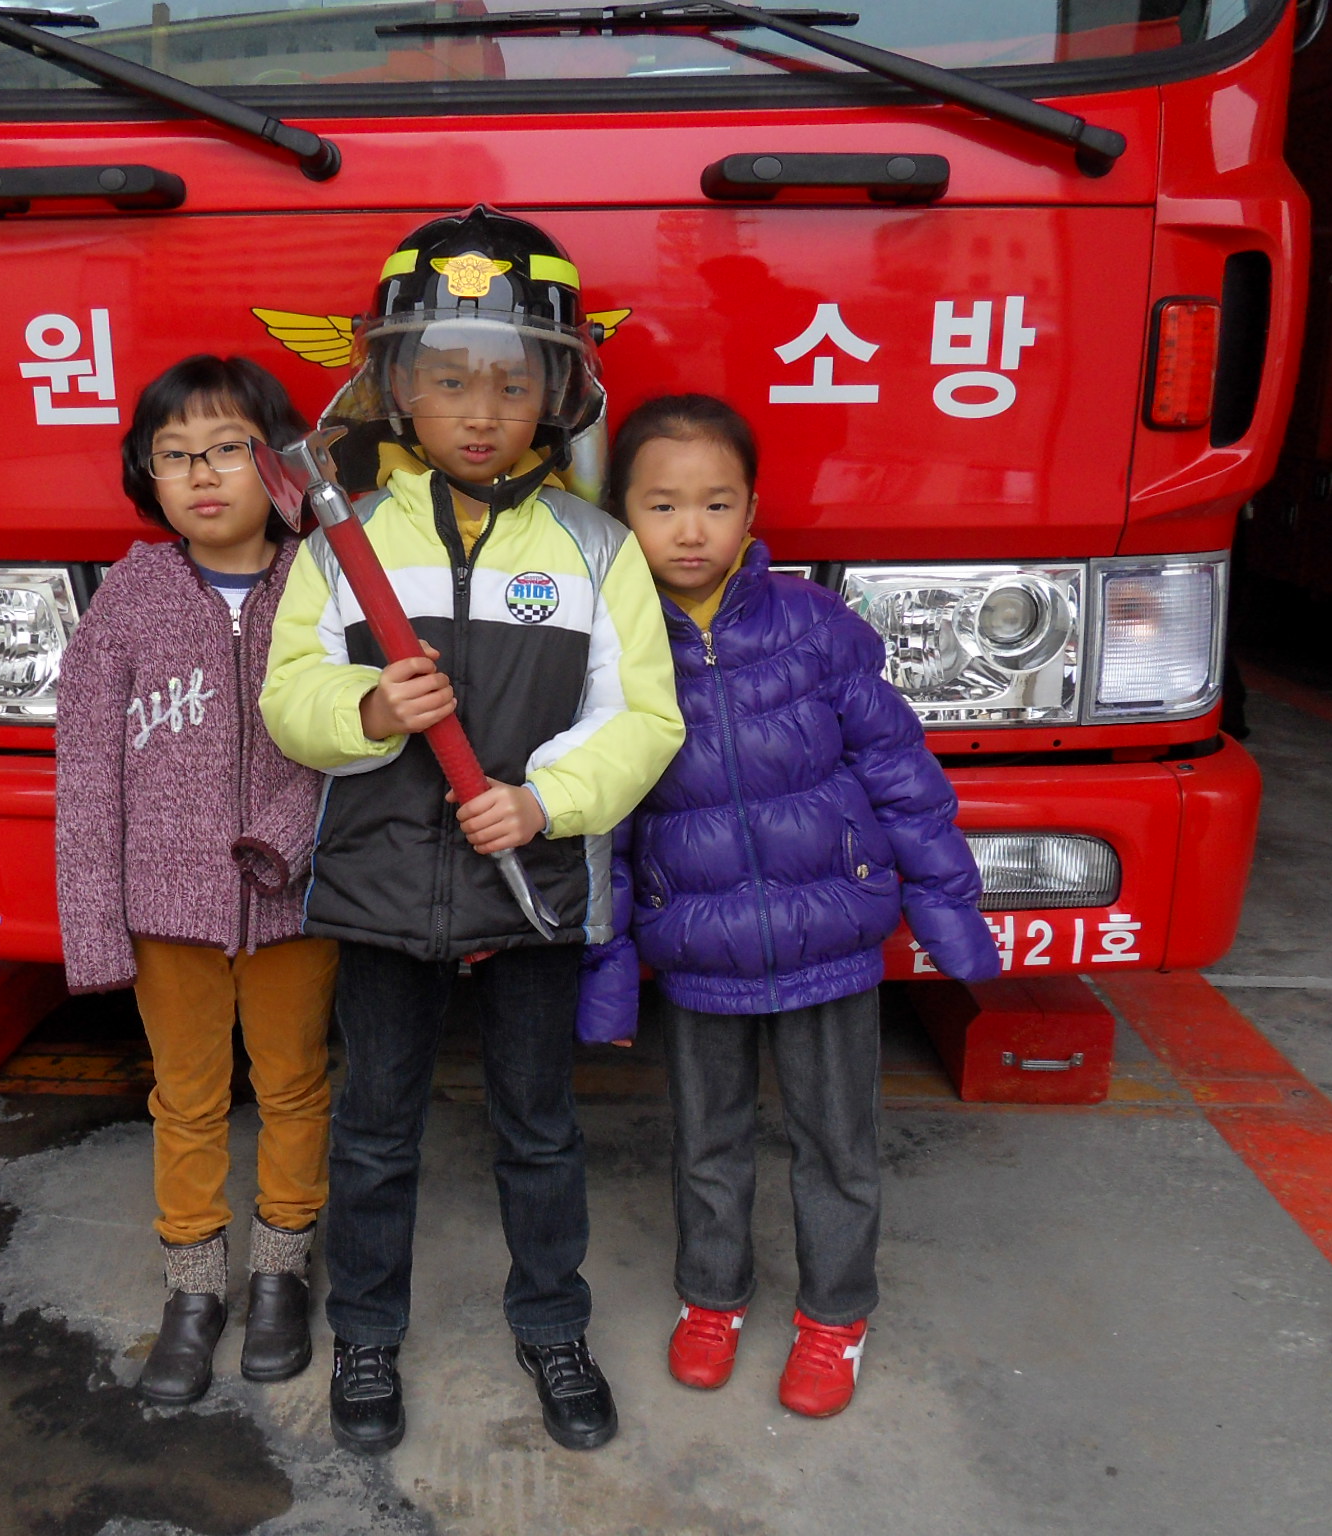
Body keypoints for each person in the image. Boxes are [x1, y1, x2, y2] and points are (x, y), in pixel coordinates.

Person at [259, 206, 685, 1456]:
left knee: (538, 1132)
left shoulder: (597, 549)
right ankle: (365, 1337)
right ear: (396, 387)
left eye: (510, 382)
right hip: (380, 891)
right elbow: (288, 697)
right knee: (374, 1131)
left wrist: (544, 802)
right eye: (448, 380)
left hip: (531, 889)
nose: (480, 409)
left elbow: (643, 718)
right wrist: (366, 708)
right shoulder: (339, 545)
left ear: (558, 392)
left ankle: (552, 1326)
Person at [579, 394, 1001, 1419]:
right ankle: (711, 1298)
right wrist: (606, 972)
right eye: (662, 505)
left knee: (837, 1144)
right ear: (619, 514)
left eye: (715, 503)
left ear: (751, 510)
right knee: (706, 1143)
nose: (690, 529)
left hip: (831, 940)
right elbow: (604, 824)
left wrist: (948, 908)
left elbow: (901, 775)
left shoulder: (816, 629)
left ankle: (834, 1316)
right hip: (698, 949)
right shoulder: (612, 648)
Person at [56, 355, 337, 1408]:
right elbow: (87, 773)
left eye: (227, 449)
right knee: (185, 1097)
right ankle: (192, 1289)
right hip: (165, 910)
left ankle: (280, 1273)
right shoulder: (129, 601)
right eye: (174, 456)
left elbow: (354, 738)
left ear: (279, 465)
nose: (202, 474)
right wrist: (97, 925)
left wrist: (286, 840)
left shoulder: (322, 583)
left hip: (291, 901)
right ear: (148, 475)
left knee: (295, 1084)